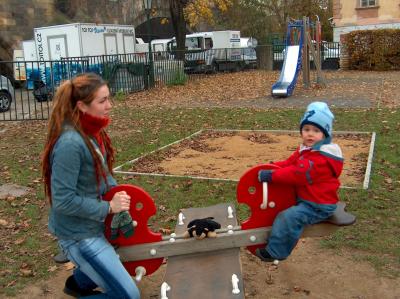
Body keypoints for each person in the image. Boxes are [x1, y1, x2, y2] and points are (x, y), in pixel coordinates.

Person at [42, 73, 140, 298]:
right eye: (102, 101)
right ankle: (84, 271)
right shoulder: (70, 143)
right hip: (78, 234)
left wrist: (119, 198)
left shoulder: (91, 131)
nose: (109, 105)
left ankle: (79, 283)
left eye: (109, 98)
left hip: (93, 225)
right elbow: (62, 201)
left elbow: (102, 175)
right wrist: (108, 208)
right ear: (82, 106)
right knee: (129, 296)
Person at [256, 101, 343, 262]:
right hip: (307, 199)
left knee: (289, 217)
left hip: (317, 205)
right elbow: (290, 163)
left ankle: (276, 252)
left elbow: (297, 174)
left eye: (316, 130)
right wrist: (273, 167)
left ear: (325, 135)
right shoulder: (306, 149)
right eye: (306, 129)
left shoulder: (321, 159)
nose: (310, 134)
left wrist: (272, 175)